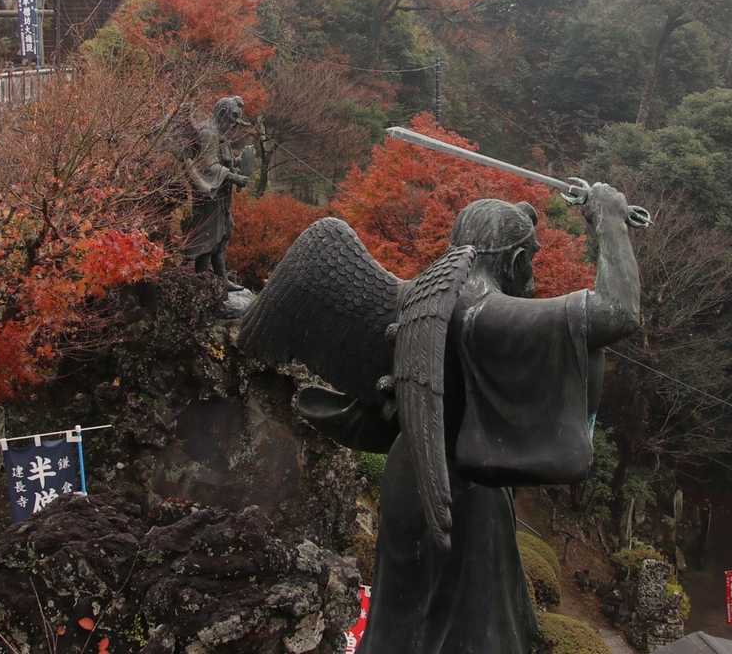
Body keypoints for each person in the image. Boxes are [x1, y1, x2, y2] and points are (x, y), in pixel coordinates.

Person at [239, 180, 642, 653]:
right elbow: (617, 313)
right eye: (530, 259)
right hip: (458, 491)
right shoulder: (483, 313)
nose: (532, 274)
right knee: (472, 632)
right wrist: (609, 218)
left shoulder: (416, 298)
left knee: (404, 620)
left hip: (410, 468)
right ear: (515, 261)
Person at [182, 95, 248, 288]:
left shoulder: (221, 135)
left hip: (221, 196)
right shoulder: (208, 133)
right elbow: (208, 165)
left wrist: (240, 162)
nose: (234, 124)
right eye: (233, 117)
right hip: (208, 195)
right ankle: (202, 281)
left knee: (223, 234)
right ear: (222, 113)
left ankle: (222, 279)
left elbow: (223, 161)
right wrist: (234, 177)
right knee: (208, 237)